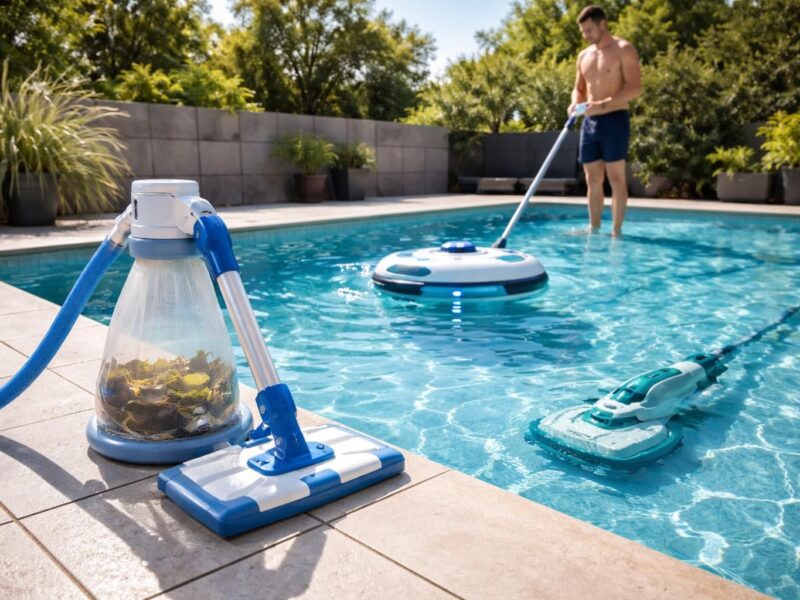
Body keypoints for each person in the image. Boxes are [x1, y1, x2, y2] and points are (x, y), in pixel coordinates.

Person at [568, 5, 641, 236]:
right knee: (592, 178)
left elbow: (635, 88)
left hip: (615, 119)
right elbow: (579, 89)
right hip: (590, 123)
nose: (585, 35)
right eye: (583, 31)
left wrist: (604, 104)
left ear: (603, 24)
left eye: (589, 30)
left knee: (616, 178)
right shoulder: (584, 56)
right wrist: (574, 104)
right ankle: (594, 227)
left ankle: (616, 231)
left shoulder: (623, 49)